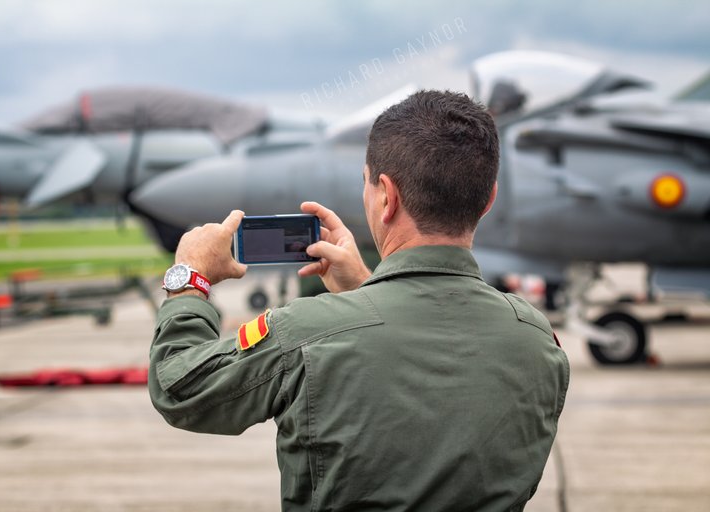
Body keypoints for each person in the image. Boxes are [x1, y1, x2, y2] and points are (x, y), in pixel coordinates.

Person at [149, 90, 570, 511]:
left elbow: (180, 388)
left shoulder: (306, 333)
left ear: (386, 196)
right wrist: (366, 292)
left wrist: (190, 277)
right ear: (488, 199)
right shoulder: (537, 342)